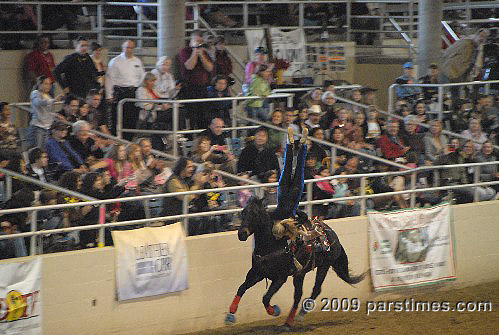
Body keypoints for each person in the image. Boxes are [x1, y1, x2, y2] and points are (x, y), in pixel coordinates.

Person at [441, 28, 490, 109]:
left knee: (461, 96)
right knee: (453, 96)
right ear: (476, 35)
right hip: (452, 73)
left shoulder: (477, 48)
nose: (481, 38)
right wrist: (449, 68)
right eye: (481, 36)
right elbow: (448, 53)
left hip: (462, 76)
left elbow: (472, 64)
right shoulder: (465, 43)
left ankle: (458, 112)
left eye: (484, 37)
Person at [106, 40, 145, 138]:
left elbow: (142, 77)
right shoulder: (115, 61)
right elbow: (110, 79)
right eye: (127, 47)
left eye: (131, 47)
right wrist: (109, 95)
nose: (129, 50)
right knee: (119, 118)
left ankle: (129, 141)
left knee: (133, 118)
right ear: (123, 48)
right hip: (121, 92)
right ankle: (117, 141)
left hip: (134, 92)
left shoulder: (137, 61)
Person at [178, 30, 214, 129]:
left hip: (203, 88)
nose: (199, 43)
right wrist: (195, 51)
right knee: (192, 115)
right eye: (197, 41)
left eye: (201, 41)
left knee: (204, 115)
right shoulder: (185, 51)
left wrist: (201, 54)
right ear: (191, 41)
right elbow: (189, 66)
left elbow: (210, 68)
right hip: (190, 88)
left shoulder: (204, 52)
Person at [161, 157, 210, 222]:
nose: (192, 169)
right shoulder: (173, 181)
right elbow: (188, 198)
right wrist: (197, 184)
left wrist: (201, 184)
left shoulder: (184, 180)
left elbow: (196, 197)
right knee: (204, 219)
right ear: (182, 168)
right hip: (173, 216)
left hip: (184, 212)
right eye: (189, 167)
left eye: (192, 167)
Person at [29, 75, 65, 149]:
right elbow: (37, 102)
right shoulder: (35, 93)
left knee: (43, 150)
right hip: (38, 126)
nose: (48, 86)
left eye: (49, 84)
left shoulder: (48, 96)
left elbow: (47, 112)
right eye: (46, 84)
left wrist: (56, 115)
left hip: (46, 127)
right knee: (37, 150)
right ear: (39, 84)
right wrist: (54, 100)